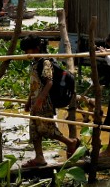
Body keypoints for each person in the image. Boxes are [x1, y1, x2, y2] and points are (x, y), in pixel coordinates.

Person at [21, 35, 79, 168]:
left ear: (35, 49)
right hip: (36, 102)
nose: (26, 54)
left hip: (45, 102)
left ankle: (70, 142)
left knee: (47, 129)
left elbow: (49, 83)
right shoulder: (35, 62)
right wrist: (29, 101)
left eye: (27, 50)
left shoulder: (45, 62)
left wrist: (39, 101)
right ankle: (39, 157)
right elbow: (35, 84)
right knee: (34, 131)